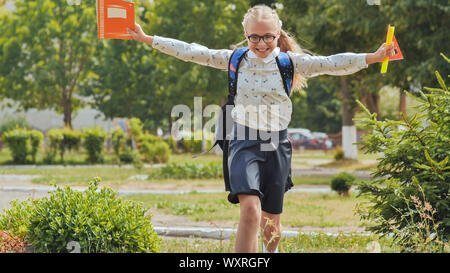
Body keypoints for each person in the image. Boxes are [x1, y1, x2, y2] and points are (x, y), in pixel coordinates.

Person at [127, 4, 395, 253]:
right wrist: (148, 38)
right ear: (245, 35)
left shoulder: (289, 63)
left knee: (271, 225)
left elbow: (333, 63)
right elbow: (191, 51)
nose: (261, 43)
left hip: (277, 144)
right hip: (242, 141)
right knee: (251, 210)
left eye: (268, 37)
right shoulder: (236, 59)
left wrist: (374, 56)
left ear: (278, 34)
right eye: (254, 37)